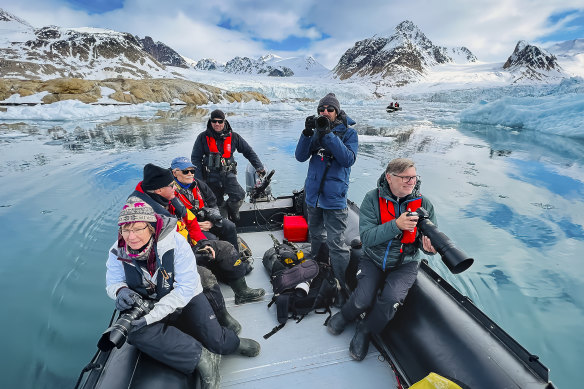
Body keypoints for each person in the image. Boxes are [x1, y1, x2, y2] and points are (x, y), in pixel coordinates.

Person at [106, 197, 261, 388]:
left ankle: (232, 344)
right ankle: (202, 358)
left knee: (216, 340)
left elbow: (185, 288)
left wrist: (152, 316)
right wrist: (120, 291)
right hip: (148, 301)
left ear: (151, 227)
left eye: (138, 228)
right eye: (126, 229)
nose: (131, 236)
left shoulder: (175, 243)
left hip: (185, 297)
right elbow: (113, 281)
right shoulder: (117, 251)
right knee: (135, 334)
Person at [327, 158, 437, 361]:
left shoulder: (424, 204)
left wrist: (429, 248)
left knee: (391, 300)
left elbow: (426, 241)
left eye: (413, 177)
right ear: (389, 177)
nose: (411, 182)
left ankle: (365, 329)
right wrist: (396, 225)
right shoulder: (372, 199)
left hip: (405, 263)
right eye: (405, 177)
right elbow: (367, 238)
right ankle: (346, 314)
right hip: (374, 258)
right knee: (362, 298)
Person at [131, 163, 265, 305]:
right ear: (158, 190)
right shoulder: (140, 215)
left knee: (227, 249)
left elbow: (190, 221)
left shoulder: (168, 197)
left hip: (185, 244)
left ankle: (242, 293)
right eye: (171, 185)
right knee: (205, 277)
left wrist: (202, 242)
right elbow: (150, 253)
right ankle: (216, 314)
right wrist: (190, 254)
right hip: (169, 260)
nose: (175, 188)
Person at [295, 92, 358, 306]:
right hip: (313, 197)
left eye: (329, 110)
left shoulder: (349, 134)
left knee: (337, 243)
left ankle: (341, 284)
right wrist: (307, 133)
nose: (325, 113)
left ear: (337, 112)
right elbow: (300, 156)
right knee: (316, 235)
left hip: (334, 199)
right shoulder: (315, 133)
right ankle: (317, 271)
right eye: (321, 110)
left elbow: (347, 159)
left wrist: (328, 134)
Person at [191, 109, 265, 222]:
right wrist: (199, 181)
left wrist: (259, 167)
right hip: (210, 177)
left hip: (228, 174)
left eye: (220, 121)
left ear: (224, 122)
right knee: (215, 202)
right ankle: (224, 219)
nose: (217, 124)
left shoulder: (234, 137)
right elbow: (195, 159)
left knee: (239, 196)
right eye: (214, 121)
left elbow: (248, 152)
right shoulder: (202, 138)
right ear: (210, 122)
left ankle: (232, 210)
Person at [171, 156, 239, 252]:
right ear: (174, 173)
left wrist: (213, 222)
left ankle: (235, 257)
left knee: (230, 226)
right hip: (187, 226)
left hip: (206, 220)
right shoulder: (169, 191)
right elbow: (170, 219)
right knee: (211, 239)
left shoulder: (199, 184)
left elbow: (213, 204)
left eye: (192, 171)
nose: (190, 174)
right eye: (185, 171)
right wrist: (194, 225)